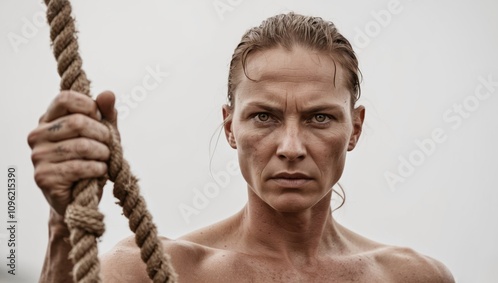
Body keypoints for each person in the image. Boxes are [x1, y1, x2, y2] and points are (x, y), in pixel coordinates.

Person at [29, 13, 454, 282]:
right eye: (264, 117)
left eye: (319, 117)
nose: (291, 147)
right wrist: (62, 224)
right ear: (230, 127)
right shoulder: (145, 269)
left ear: (355, 128)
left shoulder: (412, 276)